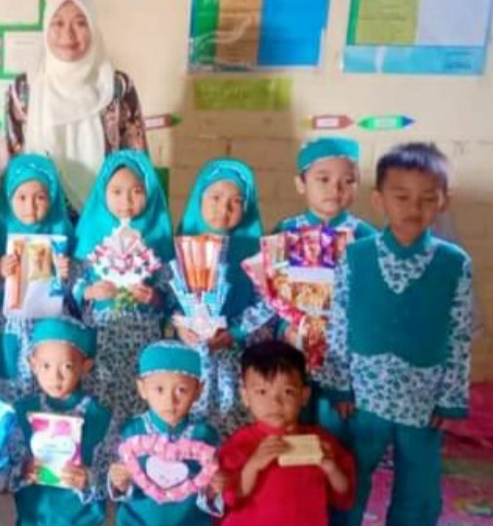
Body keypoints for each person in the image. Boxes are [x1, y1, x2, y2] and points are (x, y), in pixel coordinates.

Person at [320, 143, 473, 526]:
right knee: (352, 476)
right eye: (401, 197)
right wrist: (340, 386)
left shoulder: (454, 263)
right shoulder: (356, 256)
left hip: (423, 398)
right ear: (379, 200)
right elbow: (339, 323)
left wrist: (450, 400)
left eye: (427, 198)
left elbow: (459, 335)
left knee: (418, 487)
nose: (414, 208)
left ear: (443, 201)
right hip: (364, 394)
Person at [0, 0, 148, 220]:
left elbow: (137, 163)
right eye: (58, 23)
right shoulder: (24, 89)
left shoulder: (118, 87)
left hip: (107, 225)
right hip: (39, 224)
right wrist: (5, 228)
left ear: (93, 27)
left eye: (80, 23)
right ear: (46, 28)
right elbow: (8, 165)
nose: (68, 34)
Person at [272, 137, 376, 444]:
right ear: (300, 183)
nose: (336, 189)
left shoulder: (366, 238)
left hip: (344, 358)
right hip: (294, 348)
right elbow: (270, 293)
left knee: (335, 432)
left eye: (348, 181)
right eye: (323, 179)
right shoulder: (285, 232)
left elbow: (373, 302)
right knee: (293, 425)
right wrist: (284, 328)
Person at [175, 158, 276, 437]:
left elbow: (268, 303)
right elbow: (169, 298)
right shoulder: (181, 246)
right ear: (199, 198)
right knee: (192, 430)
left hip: (236, 358)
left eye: (236, 201)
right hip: (191, 358)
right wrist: (180, 327)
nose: (224, 208)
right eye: (216, 198)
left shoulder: (257, 254)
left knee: (234, 428)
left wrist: (235, 332)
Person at [73, 150, 174, 423]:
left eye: (136, 191)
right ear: (103, 193)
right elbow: (70, 285)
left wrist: (154, 297)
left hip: (142, 335)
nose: (126, 201)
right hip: (100, 335)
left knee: (139, 400)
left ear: (149, 192)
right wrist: (88, 292)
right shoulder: (89, 235)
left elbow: (172, 294)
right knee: (99, 402)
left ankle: (136, 445)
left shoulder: (158, 236)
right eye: (116, 192)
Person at [219, 341, 354, 526]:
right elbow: (229, 499)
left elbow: (344, 496)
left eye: (287, 391)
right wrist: (253, 465)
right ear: (245, 396)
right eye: (262, 391)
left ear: (304, 396)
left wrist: (331, 468)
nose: (275, 402)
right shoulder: (239, 444)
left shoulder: (321, 442)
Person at [11, 317, 114, 525]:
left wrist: (89, 478)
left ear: (85, 366)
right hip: (34, 518)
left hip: (83, 520)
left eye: (67, 366)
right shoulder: (21, 412)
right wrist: (22, 470)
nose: (55, 376)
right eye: (46, 366)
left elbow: (114, 478)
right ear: (33, 364)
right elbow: (3, 471)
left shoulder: (100, 416)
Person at [108, 341, 223, 525]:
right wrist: (120, 482)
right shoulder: (131, 432)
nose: (170, 400)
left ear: (198, 391)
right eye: (159, 389)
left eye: (182, 390)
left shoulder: (205, 436)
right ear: (142, 389)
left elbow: (208, 491)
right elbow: (121, 488)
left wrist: (212, 491)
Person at [0, 154, 76, 401]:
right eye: (21, 198)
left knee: (50, 388)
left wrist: (67, 273)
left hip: (52, 326)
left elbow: (78, 290)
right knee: (11, 387)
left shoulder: (64, 237)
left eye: (40, 197)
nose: (30, 207)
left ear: (52, 198)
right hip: (11, 326)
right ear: (9, 199)